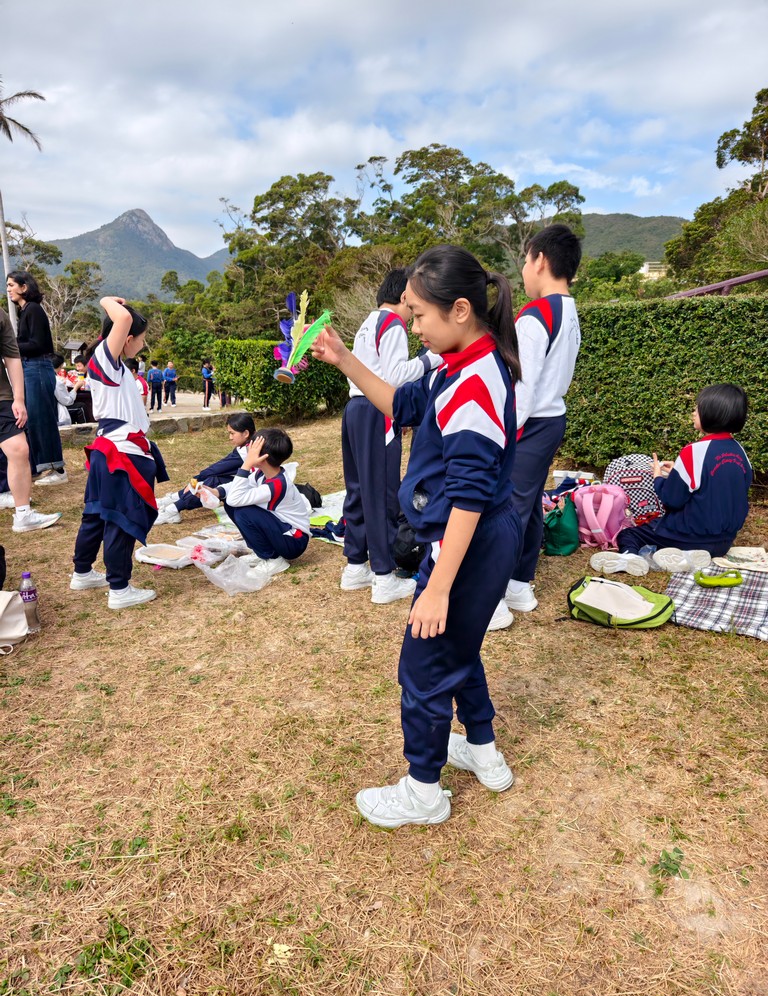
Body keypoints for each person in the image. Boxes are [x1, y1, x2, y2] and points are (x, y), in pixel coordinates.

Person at [311, 244, 523, 829]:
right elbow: (399, 403)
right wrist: (344, 358)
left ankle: (423, 791)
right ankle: (482, 749)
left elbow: (470, 498)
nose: (412, 326)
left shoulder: (475, 384)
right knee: (458, 648)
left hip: (467, 542)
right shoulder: (458, 363)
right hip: (465, 539)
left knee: (424, 665)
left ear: (460, 310)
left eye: (419, 314)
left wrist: (438, 588)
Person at [340, 268, 443, 605]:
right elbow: (396, 376)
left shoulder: (368, 322)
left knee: (358, 489)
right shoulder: (393, 323)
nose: (415, 314)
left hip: (354, 409)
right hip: (377, 411)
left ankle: (355, 565)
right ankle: (384, 577)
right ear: (403, 297)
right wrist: (430, 360)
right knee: (382, 491)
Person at [497, 225, 582, 624]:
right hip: (550, 420)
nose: (523, 271)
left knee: (506, 509)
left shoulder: (535, 315)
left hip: (529, 423)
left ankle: (492, 598)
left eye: (526, 260)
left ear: (540, 260)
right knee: (528, 504)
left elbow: (523, 388)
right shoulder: (568, 309)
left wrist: (503, 433)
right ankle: (519, 585)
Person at [591, 384, 752, 576]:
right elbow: (719, 485)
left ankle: (630, 557)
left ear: (712, 413)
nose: (693, 413)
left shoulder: (693, 452)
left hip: (688, 535)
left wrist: (658, 477)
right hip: (724, 542)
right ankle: (688, 557)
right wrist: (678, 471)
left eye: (697, 408)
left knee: (630, 534)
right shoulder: (741, 453)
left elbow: (672, 499)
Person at [70, 297, 169, 609]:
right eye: (141, 338)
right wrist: (106, 300)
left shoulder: (112, 365)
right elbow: (122, 319)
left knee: (96, 513)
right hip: (121, 452)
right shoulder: (105, 358)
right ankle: (119, 588)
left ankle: (82, 572)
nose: (143, 344)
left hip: (110, 449)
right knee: (120, 518)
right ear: (127, 338)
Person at [199, 426, 309, 575]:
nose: (248, 451)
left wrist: (246, 464)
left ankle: (274, 560)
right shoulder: (262, 474)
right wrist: (217, 492)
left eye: (253, 449)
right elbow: (238, 487)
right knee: (233, 506)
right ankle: (261, 552)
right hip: (282, 530)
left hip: (294, 541)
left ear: (262, 457)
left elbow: (235, 498)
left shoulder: (276, 486)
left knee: (243, 511)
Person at [0, 307, 62, 529]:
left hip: (2, 397)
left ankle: (23, 515)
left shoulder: (1, 315)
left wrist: (18, 398)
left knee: (19, 449)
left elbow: (12, 356)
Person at [6, 269, 68, 485]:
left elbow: (38, 345)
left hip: (38, 367)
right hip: (29, 368)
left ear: (24, 287)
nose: (8, 289)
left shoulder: (33, 309)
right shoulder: (25, 311)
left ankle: (56, 469)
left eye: (11, 285)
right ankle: (37, 467)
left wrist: (10, 346)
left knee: (43, 419)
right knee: (31, 420)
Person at [154, 413, 257, 525]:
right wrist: (196, 480)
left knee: (213, 481)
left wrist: (196, 479)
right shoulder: (249, 445)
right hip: (252, 484)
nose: (230, 437)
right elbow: (220, 466)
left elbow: (218, 468)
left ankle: (173, 509)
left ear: (246, 433)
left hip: (255, 490)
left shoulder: (246, 451)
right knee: (212, 479)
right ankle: (173, 501)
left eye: (232, 433)